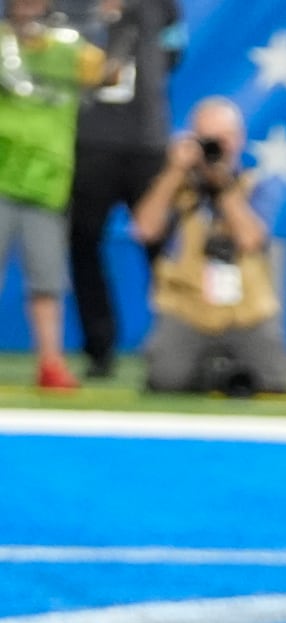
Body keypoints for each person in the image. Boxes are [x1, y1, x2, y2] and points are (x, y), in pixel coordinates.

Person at [129, 96, 286, 395]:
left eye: (225, 138)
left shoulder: (255, 185)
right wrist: (174, 172)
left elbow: (250, 238)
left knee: (275, 381)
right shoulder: (177, 186)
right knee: (166, 380)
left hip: (246, 310)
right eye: (209, 139)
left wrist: (223, 187)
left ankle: (217, 371)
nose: (218, 147)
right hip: (187, 309)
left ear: (240, 140)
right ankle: (211, 373)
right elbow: (143, 229)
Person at [0, 0, 117, 390]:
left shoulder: (70, 49)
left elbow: (113, 74)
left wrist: (114, 21)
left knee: (47, 281)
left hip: (47, 184)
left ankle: (50, 362)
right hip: (1, 179)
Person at [67, 0, 183, 381]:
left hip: (145, 141)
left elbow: (174, 51)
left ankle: (177, 340)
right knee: (83, 244)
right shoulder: (71, 6)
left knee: (163, 249)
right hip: (91, 139)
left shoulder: (160, 5)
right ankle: (99, 347)